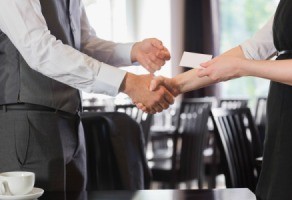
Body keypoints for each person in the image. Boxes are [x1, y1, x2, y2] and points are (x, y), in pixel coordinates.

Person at [0, 0, 174, 191]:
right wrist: (128, 82)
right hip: (28, 123)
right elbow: (40, 49)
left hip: (72, 121)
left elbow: (82, 44)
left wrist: (132, 51)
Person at [142, 1, 292, 199]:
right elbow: (250, 50)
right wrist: (176, 85)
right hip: (285, 117)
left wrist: (244, 67)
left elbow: (244, 62)